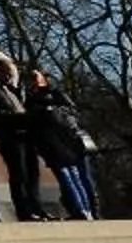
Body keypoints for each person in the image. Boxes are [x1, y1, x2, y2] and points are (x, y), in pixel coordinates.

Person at [26, 69, 99, 221]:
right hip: (50, 143)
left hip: (67, 140)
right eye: (30, 79)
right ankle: (81, 210)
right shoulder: (31, 98)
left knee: (77, 176)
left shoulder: (54, 93)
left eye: (35, 77)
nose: (33, 81)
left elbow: (72, 111)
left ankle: (87, 210)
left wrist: (51, 111)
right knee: (68, 176)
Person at [0, 58, 37, 218]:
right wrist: (17, 117)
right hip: (8, 135)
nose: (11, 77)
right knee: (19, 173)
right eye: (8, 73)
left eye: (12, 74)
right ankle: (24, 210)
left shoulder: (10, 88)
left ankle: (36, 207)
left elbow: (21, 105)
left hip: (24, 134)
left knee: (32, 172)